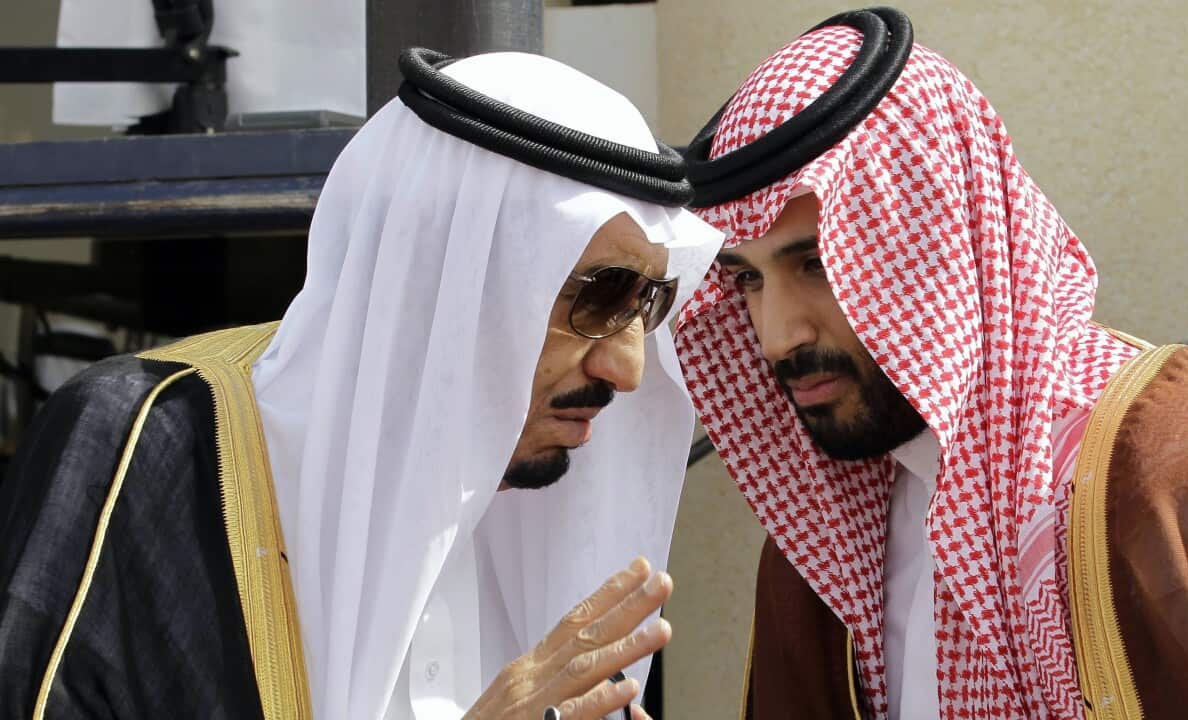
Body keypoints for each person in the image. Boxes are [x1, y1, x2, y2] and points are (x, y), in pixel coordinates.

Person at [0, 48, 720, 720]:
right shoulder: (152, 444)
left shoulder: (571, 532)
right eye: (597, 295)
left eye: (645, 305)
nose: (625, 369)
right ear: (442, 270)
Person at [675, 7, 1188, 719]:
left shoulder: (1164, 469)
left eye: (817, 262)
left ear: (938, 244)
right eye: (747, 279)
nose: (777, 336)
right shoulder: (824, 539)